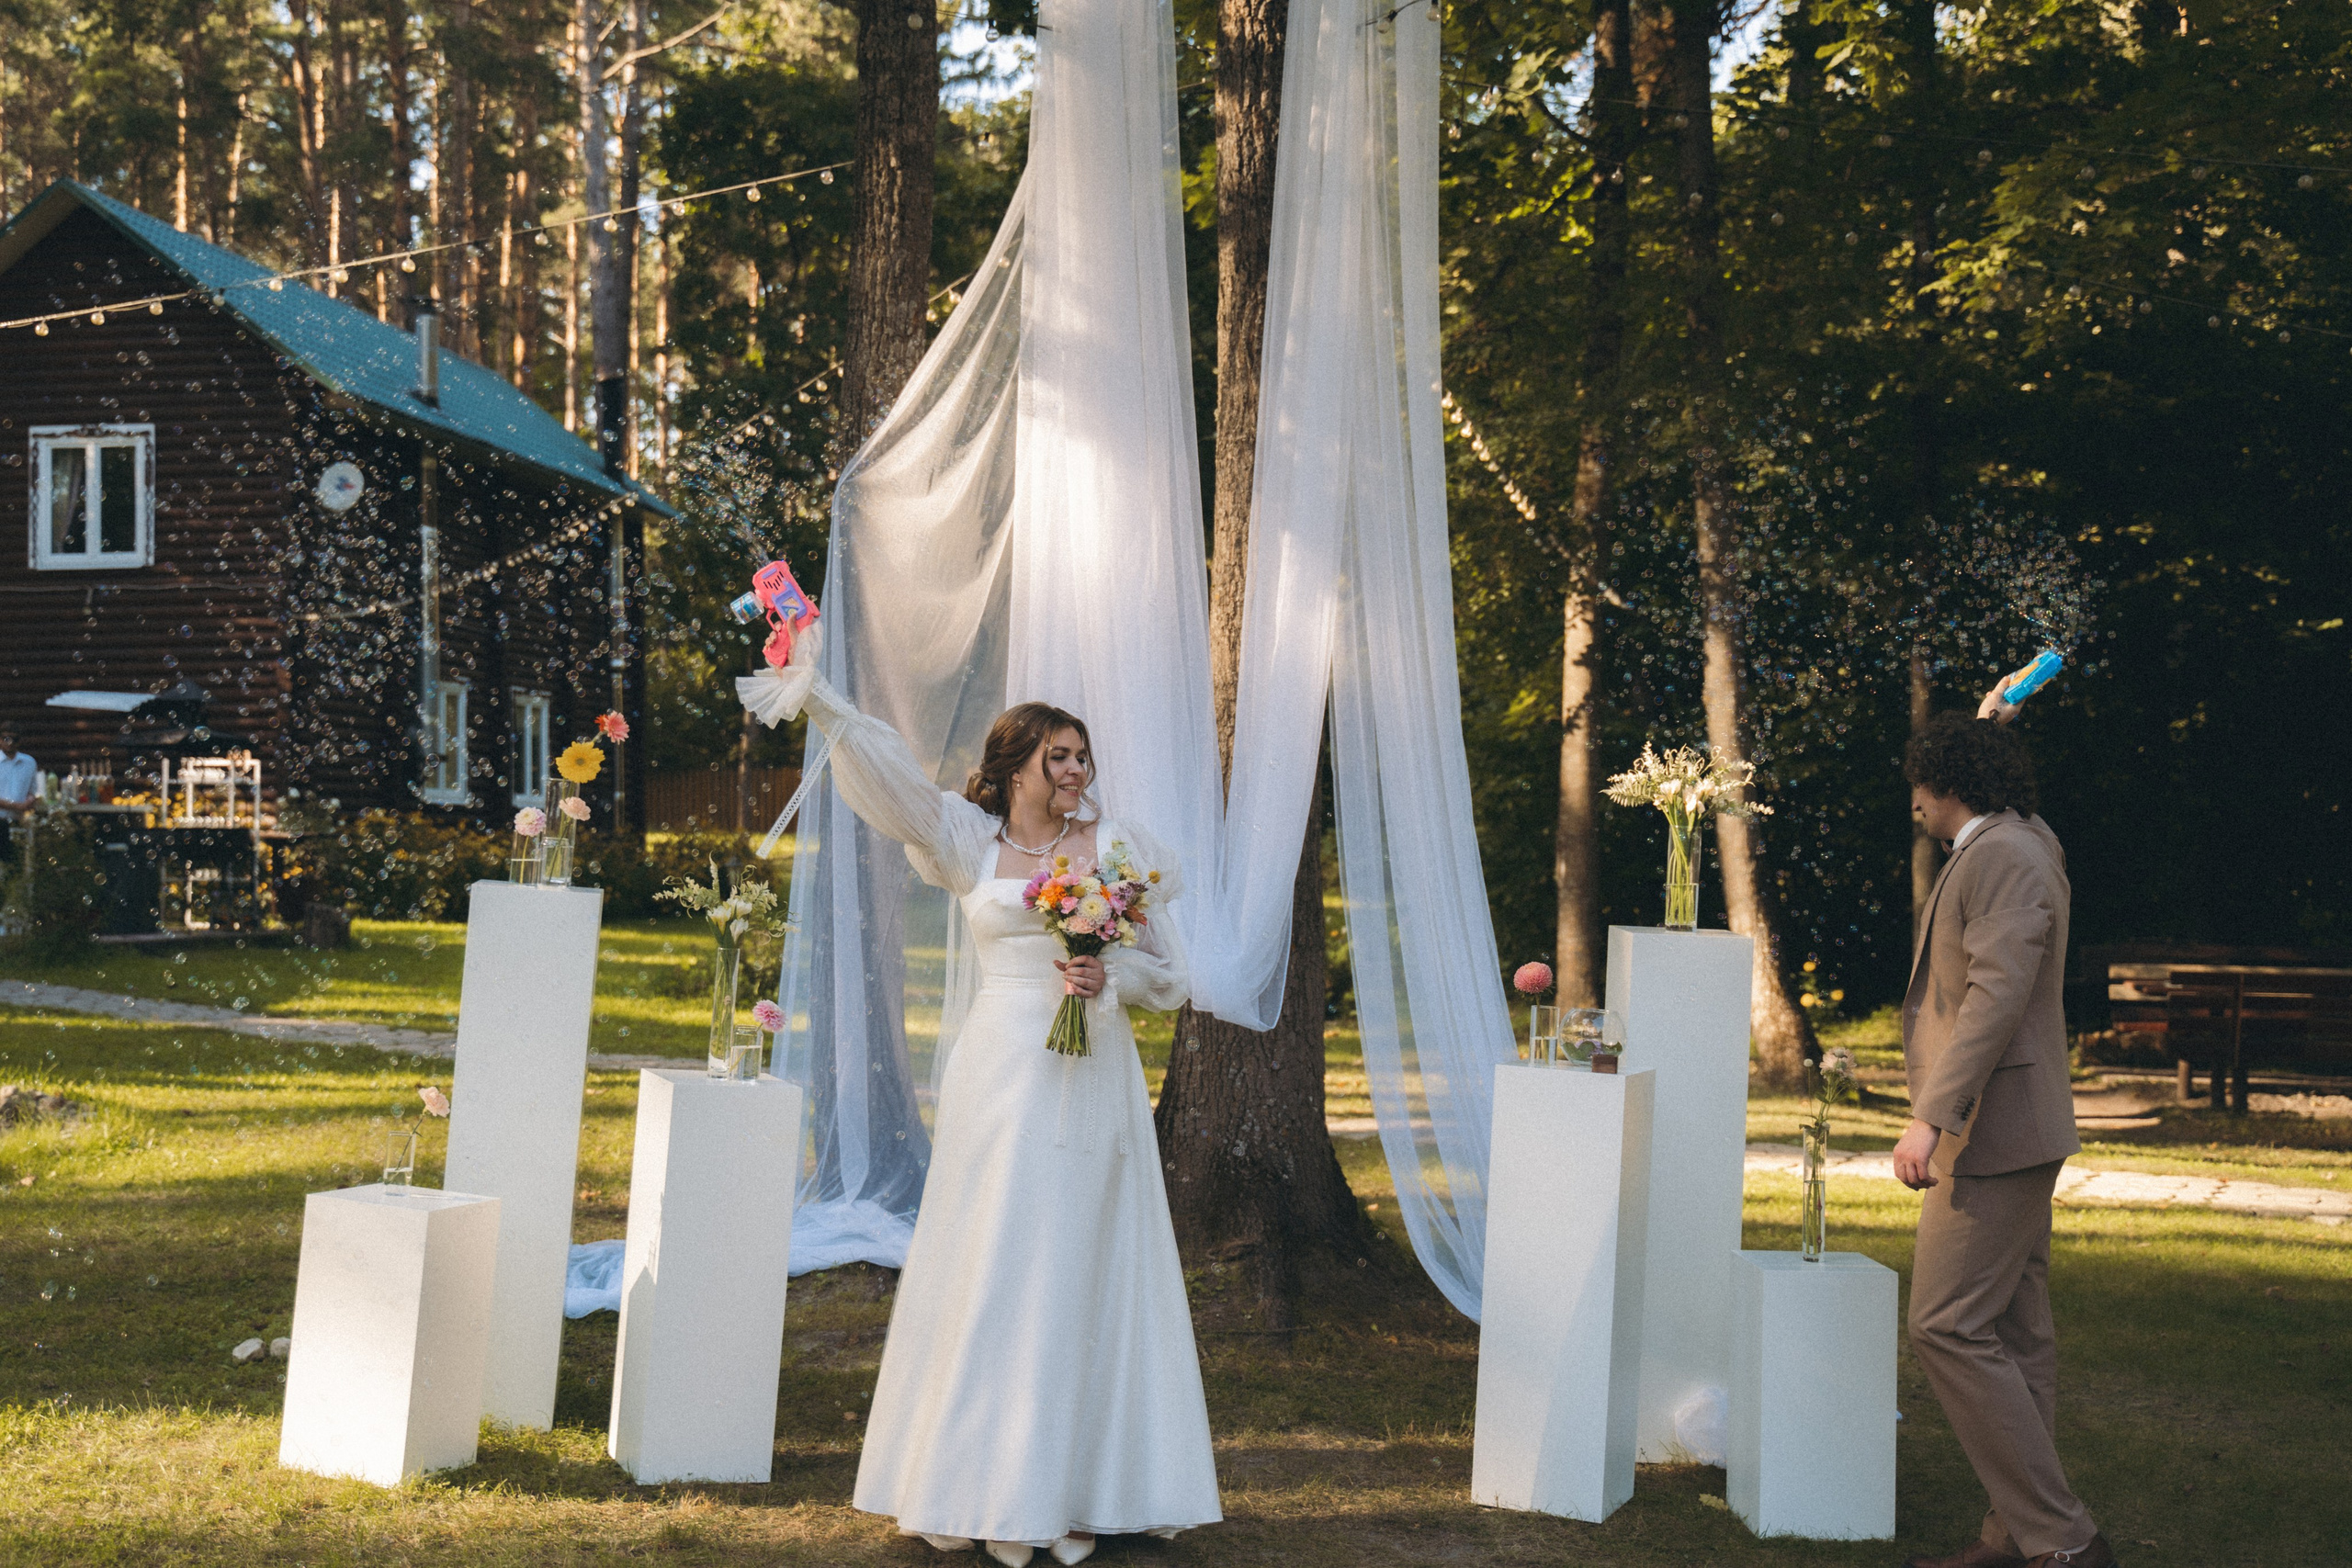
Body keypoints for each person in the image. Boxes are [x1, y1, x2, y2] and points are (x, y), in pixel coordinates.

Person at [793, 673, 1221, 1568]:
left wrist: (1110, 977)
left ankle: (1081, 1485)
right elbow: (890, 782)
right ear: (1015, 763)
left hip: (1090, 1068)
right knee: (993, 1255)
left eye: (1080, 755)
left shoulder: (1117, 846)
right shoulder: (966, 839)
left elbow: (1168, 979)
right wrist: (819, 698)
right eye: (1055, 755)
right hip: (997, 1070)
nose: (1073, 769)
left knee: (1079, 1256)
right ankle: (977, 1478)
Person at [1895, 702, 2116, 1568]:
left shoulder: (2007, 855)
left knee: (1946, 1323)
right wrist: (1990, 724)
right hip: (2010, 1129)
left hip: (1996, 1133)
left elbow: (1996, 998)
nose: (1913, 797)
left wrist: (1930, 1116)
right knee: (2017, 1338)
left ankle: (2062, 1538)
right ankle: (2016, 1535)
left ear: (1950, 784)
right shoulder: (2020, 840)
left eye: (1922, 778)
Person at [0, 728, 39, 867]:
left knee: (17, 866)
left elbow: (33, 790)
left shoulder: (29, 762)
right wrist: (15, 806)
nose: (10, 743)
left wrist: (29, 801)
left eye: (14, 739)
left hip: (19, 821)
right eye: (6, 739)